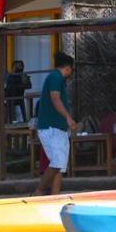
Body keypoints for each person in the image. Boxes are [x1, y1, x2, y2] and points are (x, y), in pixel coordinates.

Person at [35, 52, 77, 196]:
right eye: (71, 69)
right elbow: (55, 98)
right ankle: (39, 190)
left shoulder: (57, 78)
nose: (71, 73)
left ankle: (55, 195)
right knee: (58, 163)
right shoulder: (55, 77)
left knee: (60, 165)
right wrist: (68, 118)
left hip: (58, 128)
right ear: (67, 68)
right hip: (50, 127)